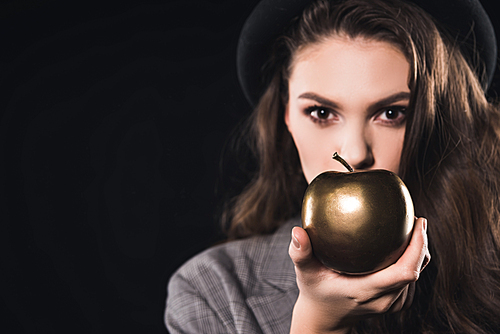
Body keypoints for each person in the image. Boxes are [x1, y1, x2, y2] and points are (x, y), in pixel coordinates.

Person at [165, 0, 500, 332]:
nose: (354, 154)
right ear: (287, 117)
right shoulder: (214, 295)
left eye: (392, 114)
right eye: (322, 113)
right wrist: (319, 325)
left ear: (439, 122)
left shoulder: (491, 274)